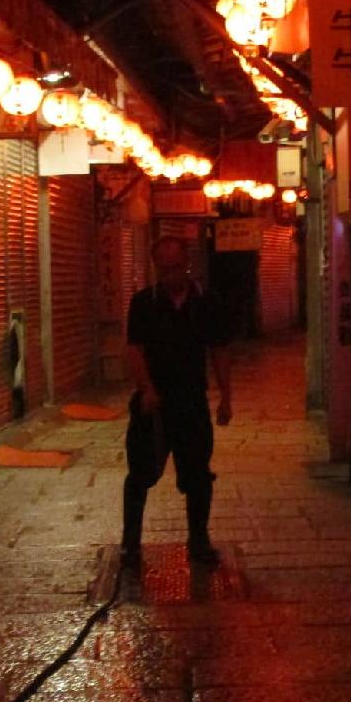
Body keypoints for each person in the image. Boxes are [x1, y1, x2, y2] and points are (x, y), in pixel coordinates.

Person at [121, 234, 233, 566]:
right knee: (140, 473)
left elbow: (219, 350)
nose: (170, 274)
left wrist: (226, 396)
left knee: (198, 474)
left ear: (187, 264)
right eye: (164, 268)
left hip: (191, 401)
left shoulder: (207, 301)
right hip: (152, 403)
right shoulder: (144, 303)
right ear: (156, 267)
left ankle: (199, 540)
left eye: (176, 266)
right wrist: (147, 388)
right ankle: (130, 544)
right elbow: (134, 349)